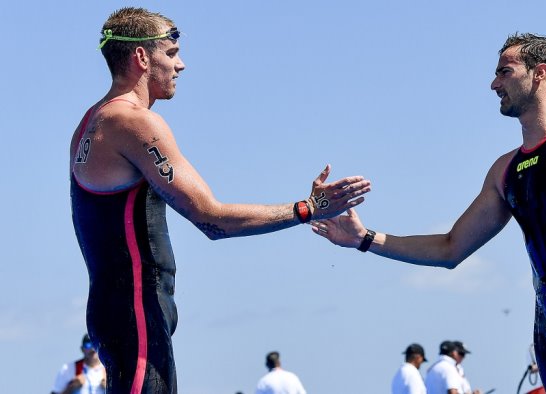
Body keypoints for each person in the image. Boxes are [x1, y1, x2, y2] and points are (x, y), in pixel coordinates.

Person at [312, 33, 546, 393]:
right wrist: (366, 239)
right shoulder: (505, 171)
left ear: (539, 73)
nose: (494, 83)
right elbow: (451, 248)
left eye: (504, 72)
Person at [70, 7, 371, 394]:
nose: (182, 65)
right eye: (172, 53)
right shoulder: (133, 122)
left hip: (118, 309)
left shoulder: (90, 122)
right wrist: (308, 209)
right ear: (142, 58)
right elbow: (213, 220)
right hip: (135, 313)